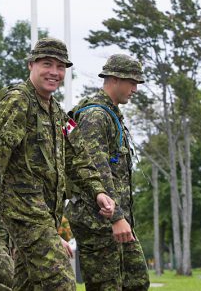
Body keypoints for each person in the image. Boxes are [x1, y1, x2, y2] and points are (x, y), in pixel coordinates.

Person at [0, 37, 112, 290]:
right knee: (62, 282)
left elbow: (77, 156)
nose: (55, 72)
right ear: (31, 65)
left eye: (61, 67)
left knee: (28, 284)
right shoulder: (17, 101)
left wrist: (98, 191)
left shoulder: (57, 112)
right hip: (23, 210)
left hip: (46, 213)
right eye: (47, 64)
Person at [65, 54, 150, 290]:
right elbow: (96, 170)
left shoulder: (110, 114)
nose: (135, 89)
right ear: (113, 79)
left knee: (136, 282)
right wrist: (116, 218)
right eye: (131, 82)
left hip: (116, 219)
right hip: (98, 222)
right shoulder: (95, 116)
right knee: (107, 286)